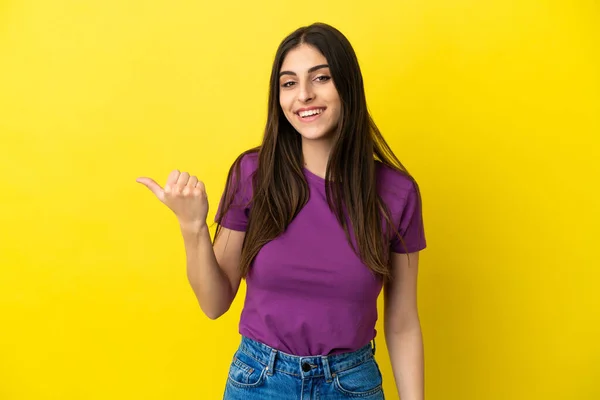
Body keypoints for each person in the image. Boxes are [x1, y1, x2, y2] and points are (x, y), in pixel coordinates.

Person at [137, 22, 426, 400]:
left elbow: (402, 323)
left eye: (320, 78)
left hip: (351, 384)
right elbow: (214, 303)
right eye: (289, 83)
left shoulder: (396, 193)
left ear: (347, 85)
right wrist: (192, 226)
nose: (304, 95)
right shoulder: (253, 175)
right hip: (260, 382)